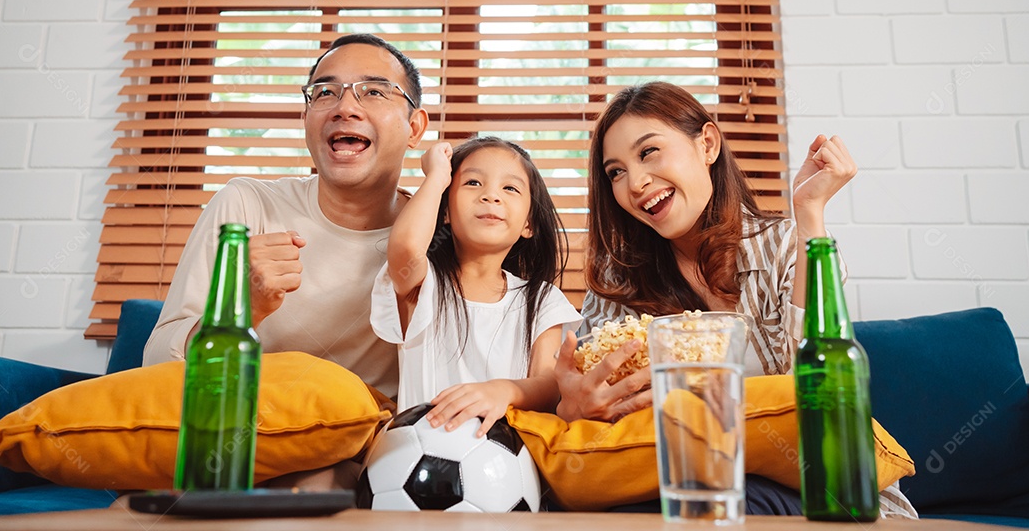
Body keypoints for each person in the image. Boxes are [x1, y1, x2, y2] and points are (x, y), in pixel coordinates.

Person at [553, 80, 916, 518]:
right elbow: (596, 411)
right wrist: (573, 408)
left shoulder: (788, 245)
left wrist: (809, 212)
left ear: (707, 144)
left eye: (649, 152)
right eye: (615, 172)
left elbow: (813, 385)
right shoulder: (618, 284)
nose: (636, 182)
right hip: (677, 485)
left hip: (813, 490)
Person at [143, 33, 429, 403]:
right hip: (256, 428)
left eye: (373, 91)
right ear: (306, 119)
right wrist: (242, 310)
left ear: (414, 128)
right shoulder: (247, 206)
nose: (345, 107)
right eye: (325, 93)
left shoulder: (441, 234)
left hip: (381, 435)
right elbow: (155, 365)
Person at [370, 137, 582, 437]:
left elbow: (549, 385)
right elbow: (406, 247)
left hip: (503, 461)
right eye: (472, 183)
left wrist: (503, 391)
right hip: (414, 455)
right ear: (445, 211)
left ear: (529, 224)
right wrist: (436, 177)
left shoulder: (543, 300)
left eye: (510, 188)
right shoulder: (423, 285)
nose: (491, 195)